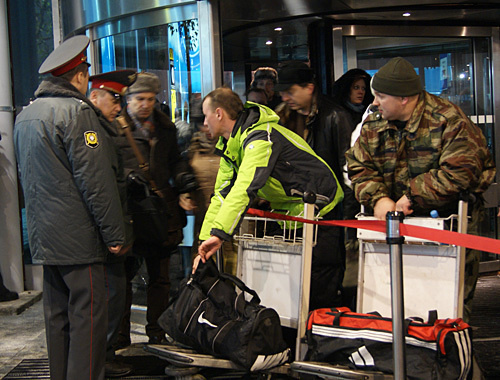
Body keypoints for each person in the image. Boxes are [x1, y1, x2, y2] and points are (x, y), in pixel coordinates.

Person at [346, 57, 496, 321]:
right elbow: (358, 165)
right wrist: (378, 199)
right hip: (395, 230)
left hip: (448, 229)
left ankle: (455, 359)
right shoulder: (375, 123)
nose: (374, 103)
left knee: (449, 309)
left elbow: (461, 170)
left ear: (404, 98)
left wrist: (412, 196)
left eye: (381, 96)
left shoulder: (448, 120)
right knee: (394, 305)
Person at [14, 35, 125, 380]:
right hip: (80, 240)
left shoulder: (26, 115)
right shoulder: (76, 113)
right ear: (78, 76)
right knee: (88, 321)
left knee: (56, 319)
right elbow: (96, 182)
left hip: (46, 238)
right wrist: (115, 234)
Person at [194, 87, 344, 314]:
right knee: (288, 297)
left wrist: (218, 235)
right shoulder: (231, 145)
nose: (205, 122)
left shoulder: (261, 137)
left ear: (218, 113)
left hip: (321, 215)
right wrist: (205, 243)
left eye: (206, 115)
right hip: (292, 216)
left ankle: (319, 345)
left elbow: (244, 189)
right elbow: (221, 196)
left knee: (316, 296)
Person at [113, 72, 196, 346]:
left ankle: (157, 334)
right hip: (130, 214)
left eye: (150, 99)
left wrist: (183, 179)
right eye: (139, 99)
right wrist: (127, 178)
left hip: (160, 213)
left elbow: (174, 160)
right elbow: (107, 167)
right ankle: (121, 337)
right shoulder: (114, 127)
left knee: (161, 278)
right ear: (128, 99)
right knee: (123, 280)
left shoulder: (165, 127)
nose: (145, 104)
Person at [274, 61, 354, 309]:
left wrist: (348, 225)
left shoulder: (335, 116)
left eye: (290, 91)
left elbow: (349, 171)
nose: (285, 97)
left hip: (328, 218)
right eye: (282, 93)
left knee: (323, 287)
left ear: (309, 88)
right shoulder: (282, 118)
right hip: (292, 217)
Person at [89, 69, 136, 377]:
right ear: (95, 96)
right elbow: (99, 185)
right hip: (103, 233)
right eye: (114, 99)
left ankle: (104, 356)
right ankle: (100, 359)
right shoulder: (93, 131)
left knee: (116, 294)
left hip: (115, 225)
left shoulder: (109, 126)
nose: (119, 107)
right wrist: (113, 234)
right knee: (110, 295)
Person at [331, 68, 374, 310]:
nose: (360, 92)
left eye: (363, 88)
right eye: (356, 87)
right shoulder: (339, 115)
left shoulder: (370, 116)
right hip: (346, 193)